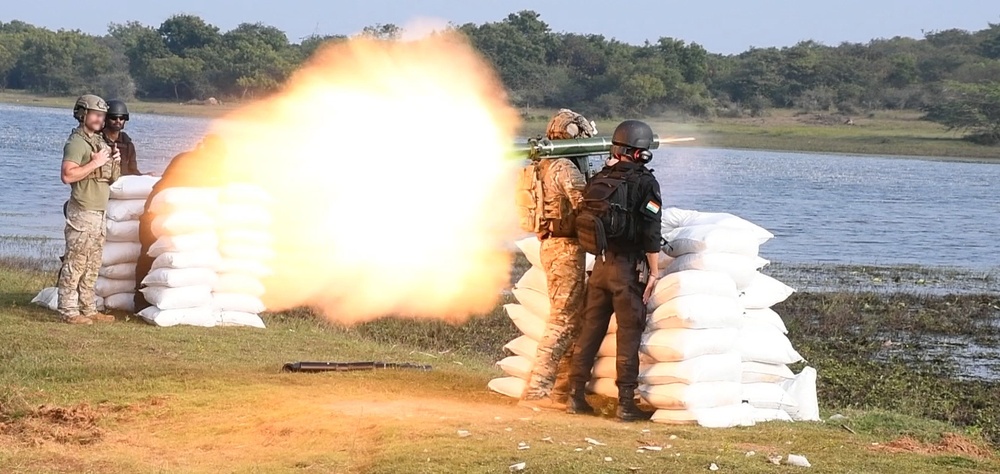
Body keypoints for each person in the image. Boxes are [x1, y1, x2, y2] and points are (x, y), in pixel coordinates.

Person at [566, 120, 663, 422]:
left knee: (589, 331)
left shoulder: (600, 177)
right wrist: (656, 272)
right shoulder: (646, 183)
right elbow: (651, 231)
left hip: (600, 267)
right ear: (641, 152)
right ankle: (625, 403)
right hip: (627, 271)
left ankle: (574, 395)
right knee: (629, 334)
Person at [519, 109, 596, 410]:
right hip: (565, 247)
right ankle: (536, 391)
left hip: (551, 244)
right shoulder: (564, 167)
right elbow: (583, 202)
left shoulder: (541, 164)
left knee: (571, 319)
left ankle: (562, 391)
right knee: (563, 321)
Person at [133, 135, 230, 312]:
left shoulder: (211, 165)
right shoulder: (186, 161)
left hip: (177, 219)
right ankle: (140, 303)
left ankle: (175, 304)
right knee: (149, 254)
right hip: (155, 214)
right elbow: (187, 185)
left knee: (183, 259)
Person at [57, 94, 121, 324]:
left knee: (92, 264)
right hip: (83, 211)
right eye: (95, 114)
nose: (99, 119)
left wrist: (114, 160)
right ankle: (68, 310)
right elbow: (67, 175)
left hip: (99, 212)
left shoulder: (99, 142)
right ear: (83, 114)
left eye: (102, 115)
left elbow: (111, 179)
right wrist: (94, 163)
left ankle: (88, 307)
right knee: (75, 263)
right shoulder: (77, 143)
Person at [102, 100, 142, 176]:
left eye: (122, 118)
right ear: (105, 119)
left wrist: (145, 177)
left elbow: (133, 170)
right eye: (114, 118)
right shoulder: (96, 140)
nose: (118, 121)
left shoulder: (128, 144)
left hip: (123, 184)